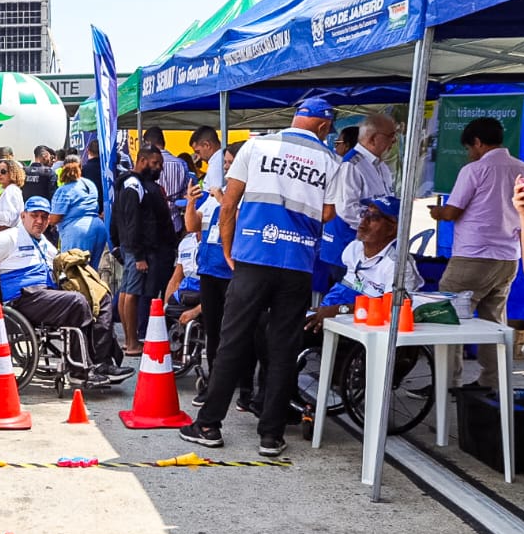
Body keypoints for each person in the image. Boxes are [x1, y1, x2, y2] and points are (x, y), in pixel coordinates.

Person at [180, 97, 342, 457]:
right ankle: (270, 435)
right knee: (283, 348)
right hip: (297, 262)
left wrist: (227, 247)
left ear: (296, 117)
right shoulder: (331, 160)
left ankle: (208, 425)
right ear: (324, 126)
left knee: (232, 340)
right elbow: (329, 213)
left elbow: (229, 202)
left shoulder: (257, 145)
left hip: (253, 256)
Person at [0, 197, 131, 389]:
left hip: (46, 295)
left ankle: (103, 362)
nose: (39, 220)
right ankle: (79, 369)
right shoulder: (10, 237)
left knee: (101, 297)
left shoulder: (44, 242)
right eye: (34, 215)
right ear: (23, 216)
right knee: (76, 302)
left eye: (44, 217)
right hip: (23, 298)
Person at [430, 117, 524, 388]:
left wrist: (436, 212)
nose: (469, 153)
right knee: (494, 322)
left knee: (447, 319)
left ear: (477, 142)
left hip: (472, 256)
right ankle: (492, 383)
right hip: (508, 257)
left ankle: (447, 383)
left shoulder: (474, 170)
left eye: (469, 148)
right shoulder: (523, 169)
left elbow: (452, 211)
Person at [184, 142, 252, 409]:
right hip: (209, 271)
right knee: (213, 332)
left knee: (240, 332)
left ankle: (246, 389)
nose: (225, 168)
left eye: (230, 163)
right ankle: (213, 385)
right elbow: (192, 226)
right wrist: (191, 202)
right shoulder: (214, 197)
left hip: (234, 273)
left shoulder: (247, 195)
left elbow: (238, 219)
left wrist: (225, 200)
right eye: (224, 163)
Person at [306, 197, 420, 333]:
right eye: (365, 213)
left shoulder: (398, 266)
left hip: (363, 327)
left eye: (374, 217)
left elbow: (392, 308)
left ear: (392, 229)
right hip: (335, 315)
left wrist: (339, 310)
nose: (363, 222)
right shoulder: (354, 248)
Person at [319, 113, 398, 288]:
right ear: (373, 138)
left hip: (371, 248)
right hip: (348, 247)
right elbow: (346, 209)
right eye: (391, 136)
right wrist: (378, 224)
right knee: (346, 303)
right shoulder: (351, 165)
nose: (394, 141)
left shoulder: (381, 167)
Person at [115, 145, 176, 355]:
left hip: (130, 246)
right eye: (155, 163)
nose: (158, 168)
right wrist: (139, 255)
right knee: (131, 293)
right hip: (135, 248)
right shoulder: (134, 186)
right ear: (142, 160)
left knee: (126, 292)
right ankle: (132, 343)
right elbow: (133, 222)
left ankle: (130, 340)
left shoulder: (131, 184)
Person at [49, 156, 105, 268]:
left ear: (62, 169)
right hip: (98, 227)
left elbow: (55, 218)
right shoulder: (89, 184)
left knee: (75, 274)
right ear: (81, 167)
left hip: (77, 232)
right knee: (92, 274)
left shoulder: (64, 190)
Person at [143, 127, 190, 233]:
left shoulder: (147, 163)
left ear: (148, 143)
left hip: (153, 224)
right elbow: (187, 194)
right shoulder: (181, 164)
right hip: (175, 222)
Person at [189, 126, 224, 191]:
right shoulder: (219, 159)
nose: (198, 157)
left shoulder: (216, 165)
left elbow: (216, 196)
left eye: (198, 152)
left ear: (207, 145)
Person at [81, 139, 105, 212]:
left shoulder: (84, 169)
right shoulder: (108, 169)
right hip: (107, 207)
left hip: (90, 207)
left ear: (88, 150)